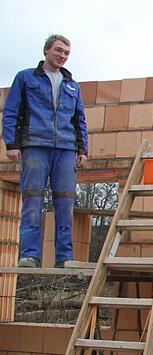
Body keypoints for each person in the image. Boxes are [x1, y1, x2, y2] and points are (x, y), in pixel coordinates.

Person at [2, 34, 88, 268]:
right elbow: (11, 112)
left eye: (66, 53)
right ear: (46, 51)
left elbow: (79, 118)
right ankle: (30, 255)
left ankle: (64, 256)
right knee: (33, 200)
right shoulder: (26, 77)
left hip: (65, 148)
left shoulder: (72, 85)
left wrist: (82, 149)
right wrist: (12, 144)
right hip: (35, 146)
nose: (62, 56)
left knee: (65, 202)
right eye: (58, 50)